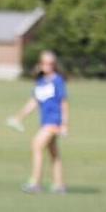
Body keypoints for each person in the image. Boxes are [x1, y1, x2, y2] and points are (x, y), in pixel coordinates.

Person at [6, 50, 69, 194]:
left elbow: (64, 103)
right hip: (45, 121)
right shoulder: (41, 82)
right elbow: (34, 102)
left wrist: (65, 124)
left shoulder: (57, 80)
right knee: (53, 153)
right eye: (45, 63)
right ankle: (59, 185)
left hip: (54, 121)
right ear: (40, 64)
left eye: (51, 63)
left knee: (36, 145)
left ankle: (35, 183)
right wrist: (19, 117)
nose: (48, 66)